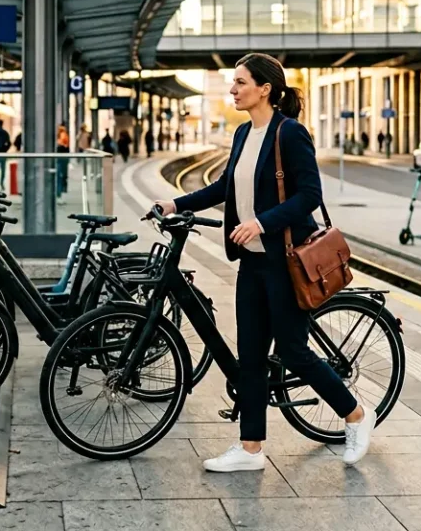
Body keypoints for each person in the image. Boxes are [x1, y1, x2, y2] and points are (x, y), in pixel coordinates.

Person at [153, 52, 374, 472]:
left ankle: (356, 416)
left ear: (265, 89)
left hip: (285, 262)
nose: (232, 90)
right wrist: (173, 202)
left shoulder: (290, 134)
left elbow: (309, 195)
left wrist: (260, 223)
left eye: (239, 83)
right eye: (232, 83)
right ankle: (251, 448)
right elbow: (223, 187)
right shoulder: (242, 134)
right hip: (252, 265)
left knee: (292, 350)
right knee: (251, 356)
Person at [56, 125, 71, 196]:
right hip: (64, 157)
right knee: (63, 174)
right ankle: (62, 189)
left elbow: (63, 144)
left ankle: (60, 190)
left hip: (61, 158)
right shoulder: (64, 135)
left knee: (60, 174)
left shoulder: (61, 136)